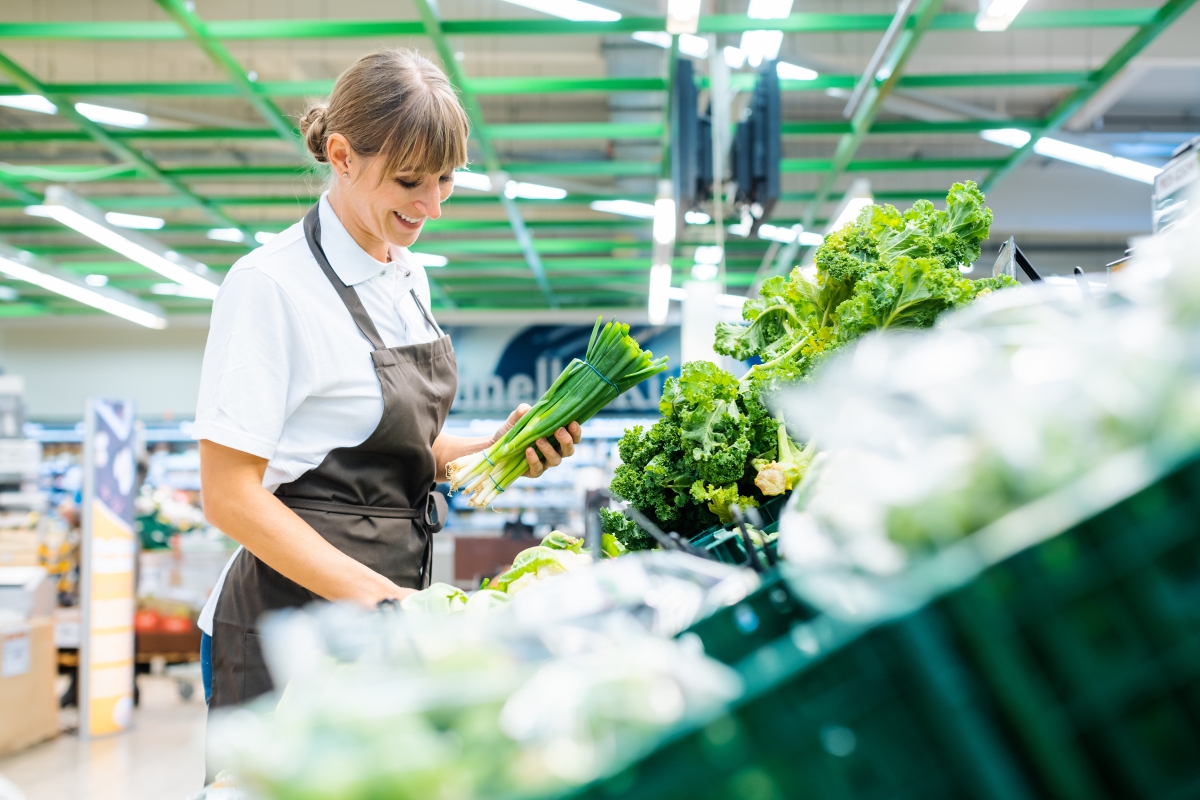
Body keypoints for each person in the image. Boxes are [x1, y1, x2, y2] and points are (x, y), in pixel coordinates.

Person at [193, 49, 581, 709]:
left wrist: (501, 449)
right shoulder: (270, 285)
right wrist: (380, 598)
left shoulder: (408, 277)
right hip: (286, 629)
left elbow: (398, 452)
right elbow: (229, 495)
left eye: (447, 179)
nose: (433, 205)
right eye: (409, 182)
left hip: (383, 623)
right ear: (342, 156)